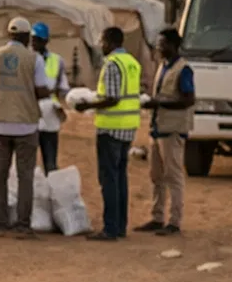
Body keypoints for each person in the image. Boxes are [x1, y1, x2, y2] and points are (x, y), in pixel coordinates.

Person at [0, 16, 46, 235]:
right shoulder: (34, 59)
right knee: (24, 176)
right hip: (25, 125)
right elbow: (42, 90)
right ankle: (22, 225)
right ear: (27, 36)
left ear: (9, 34)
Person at [81, 26, 143, 241]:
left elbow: (113, 98)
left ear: (111, 41)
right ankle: (120, 226)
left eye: (103, 41)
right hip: (128, 127)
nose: (101, 45)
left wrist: (87, 104)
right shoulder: (132, 63)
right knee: (120, 178)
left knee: (108, 179)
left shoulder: (112, 65)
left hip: (111, 128)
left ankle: (110, 227)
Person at [136, 27, 195, 236]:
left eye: (162, 44)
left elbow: (188, 100)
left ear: (173, 45)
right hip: (158, 128)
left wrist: (159, 102)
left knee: (174, 177)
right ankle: (157, 217)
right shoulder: (163, 66)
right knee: (157, 176)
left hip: (172, 130)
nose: (159, 48)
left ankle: (175, 221)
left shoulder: (183, 69)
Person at [31, 22, 68, 173]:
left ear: (46, 41)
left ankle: (52, 189)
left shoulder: (56, 61)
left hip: (49, 114)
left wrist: (60, 105)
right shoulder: (27, 58)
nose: (35, 43)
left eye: (38, 39)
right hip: (30, 110)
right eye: (33, 39)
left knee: (50, 160)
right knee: (28, 160)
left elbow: (63, 88)